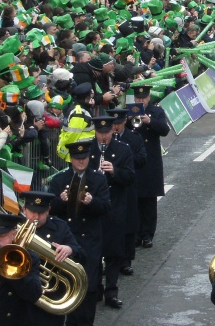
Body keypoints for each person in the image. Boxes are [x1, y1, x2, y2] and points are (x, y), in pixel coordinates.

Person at [49, 140, 111, 326]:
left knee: (88, 285)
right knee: (64, 284)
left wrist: (91, 202)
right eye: (77, 159)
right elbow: (50, 209)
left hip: (89, 239)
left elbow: (106, 206)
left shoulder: (98, 179)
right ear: (71, 160)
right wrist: (61, 201)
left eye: (83, 158)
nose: (81, 162)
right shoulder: (59, 180)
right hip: (67, 237)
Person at [89, 115, 135, 309]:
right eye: (100, 133)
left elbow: (130, 176)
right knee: (95, 250)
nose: (103, 137)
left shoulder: (123, 149)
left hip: (115, 207)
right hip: (94, 208)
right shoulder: (87, 150)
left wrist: (114, 171)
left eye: (107, 132)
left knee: (113, 252)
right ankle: (96, 288)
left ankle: (111, 292)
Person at [21, 190, 85, 326]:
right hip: (20, 297)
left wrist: (70, 249)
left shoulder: (60, 227)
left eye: (41, 213)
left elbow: (82, 255)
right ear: (24, 209)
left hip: (50, 296)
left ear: (48, 210)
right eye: (32, 212)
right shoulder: (14, 228)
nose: (36, 217)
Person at [130, 84, 171, 248]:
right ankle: (137, 233)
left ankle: (148, 234)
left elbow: (165, 130)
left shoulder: (156, 111)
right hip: (134, 159)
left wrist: (150, 121)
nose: (141, 100)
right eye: (138, 98)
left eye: (143, 98)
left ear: (148, 98)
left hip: (150, 160)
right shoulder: (131, 111)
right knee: (135, 199)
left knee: (149, 200)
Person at [107, 108, 146, 277]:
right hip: (108, 186)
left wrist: (126, 156)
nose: (115, 127)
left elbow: (142, 159)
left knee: (129, 221)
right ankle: (109, 258)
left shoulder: (134, 138)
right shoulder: (105, 141)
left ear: (125, 122)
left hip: (127, 185)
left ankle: (126, 260)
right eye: (113, 124)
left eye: (119, 123)